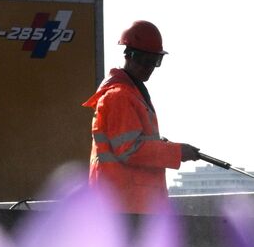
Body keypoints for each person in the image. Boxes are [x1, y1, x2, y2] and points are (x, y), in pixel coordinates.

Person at [83, 20, 200, 213]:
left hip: (132, 206)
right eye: (142, 59)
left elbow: (135, 143)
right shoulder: (119, 96)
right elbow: (129, 149)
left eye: (154, 61)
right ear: (128, 55)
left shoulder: (134, 95)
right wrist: (177, 152)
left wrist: (164, 146)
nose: (148, 67)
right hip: (122, 207)